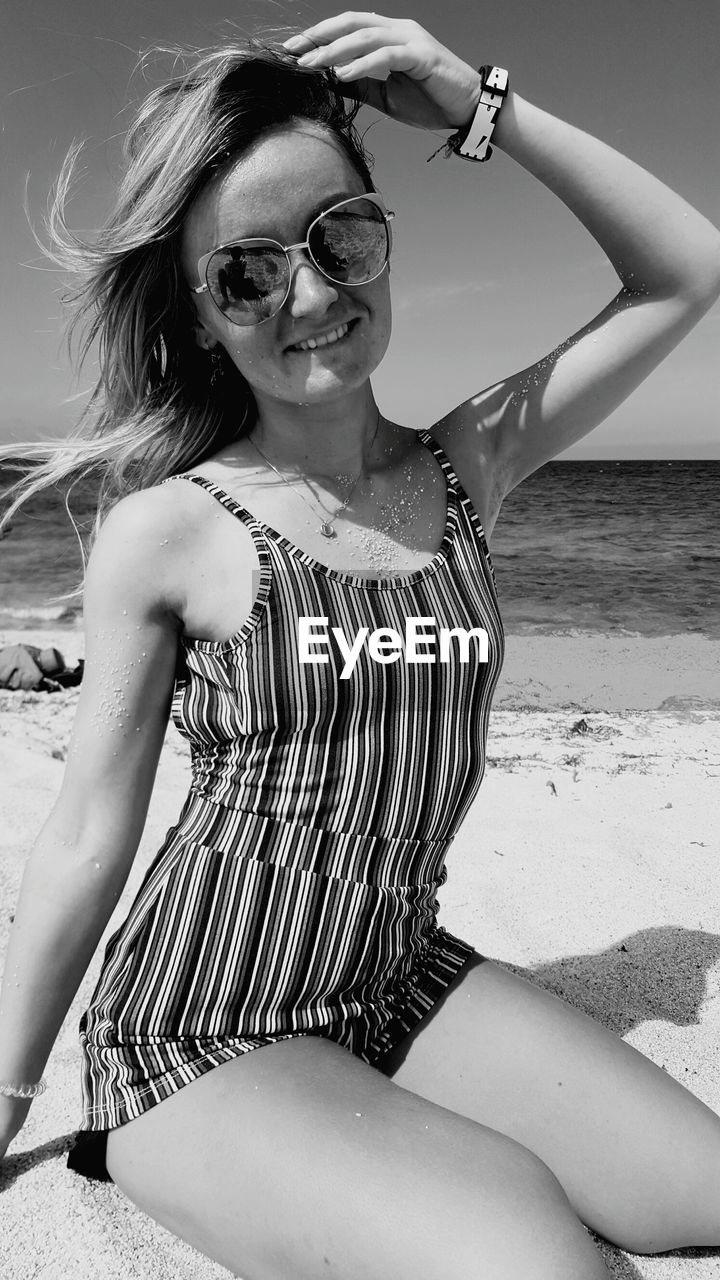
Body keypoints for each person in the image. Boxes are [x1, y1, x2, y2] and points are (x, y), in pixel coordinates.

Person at [1, 12, 719, 1279]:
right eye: (248, 272)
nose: (315, 294)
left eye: (342, 235)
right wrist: (2, 1098)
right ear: (200, 312)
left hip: (397, 974)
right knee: (539, 1261)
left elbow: (689, 268)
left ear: (383, 235)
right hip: (199, 1029)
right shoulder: (170, 531)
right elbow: (82, 839)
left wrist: (483, 105)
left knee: (703, 1189)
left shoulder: (465, 465)